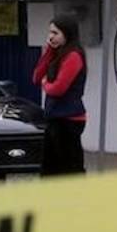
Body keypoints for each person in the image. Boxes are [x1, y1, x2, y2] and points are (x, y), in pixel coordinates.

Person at [33, 15, 88, 175]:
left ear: (67, 34)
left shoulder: (74, 56)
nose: (51, 36)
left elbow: (58, 88)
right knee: (49, 166)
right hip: (53, 117)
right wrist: (49, 51)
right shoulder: (57, 54)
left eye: (55, 33)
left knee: (69, 166)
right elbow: (36, 77)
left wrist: (45, 84)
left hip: (69, 119)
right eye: (50, 32)